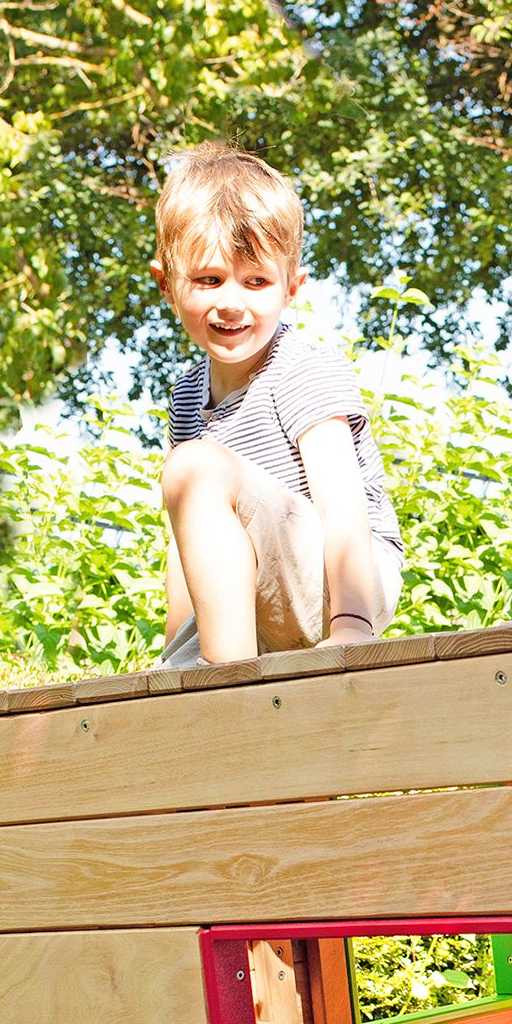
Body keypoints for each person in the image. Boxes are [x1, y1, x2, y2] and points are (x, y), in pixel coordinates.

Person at [150, 145, 403, 665]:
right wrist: (177, 648)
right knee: (189, 474)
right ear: (167, 287)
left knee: (195, 467)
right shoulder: (186, 397)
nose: (231, 302)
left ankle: (231, 682)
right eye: (208, 279)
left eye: (256, 281)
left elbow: (343, 507)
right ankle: (215, 674)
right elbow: (188, 543)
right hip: (259, 602)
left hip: (345, 582)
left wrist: (352, 626)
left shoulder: (300, 368)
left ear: (291, 288)